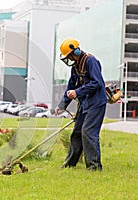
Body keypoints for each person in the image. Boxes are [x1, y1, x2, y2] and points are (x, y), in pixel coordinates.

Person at [55, 38, 107, 171]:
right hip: (85, 104)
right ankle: (70, 164)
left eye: (69, 56)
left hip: (96, 103)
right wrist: (62, 105)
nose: (69, 59)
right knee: (77, 133)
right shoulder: (75, 67)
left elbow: (97, 83)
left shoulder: (90, 61)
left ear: (75, 52)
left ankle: (94, 167)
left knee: (88, 132)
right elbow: (70, 86)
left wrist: (77, 92)